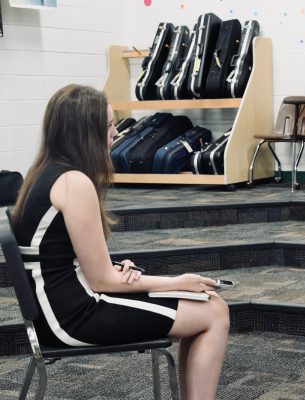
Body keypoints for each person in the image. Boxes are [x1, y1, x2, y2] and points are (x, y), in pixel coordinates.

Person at [12, 84, 229, 400]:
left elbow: (69, 262)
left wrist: (117, 271)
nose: (116, 133)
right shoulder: (74, 182)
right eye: (109, 125)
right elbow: (101, 281)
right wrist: (178, 281)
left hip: (60, 307)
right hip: (73, 316)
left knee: (205, 306)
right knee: (214, 311)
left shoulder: (45, 172)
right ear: (86, 133)